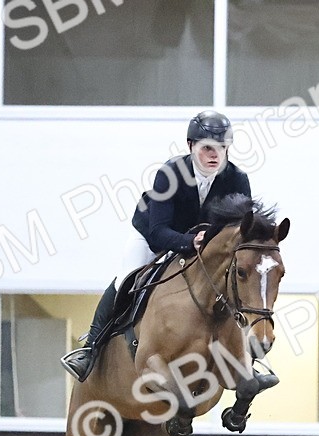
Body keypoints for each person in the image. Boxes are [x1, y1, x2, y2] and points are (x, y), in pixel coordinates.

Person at [60, 110, 253, 381]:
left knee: (232, 285)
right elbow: (157, 232)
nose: (215, 155)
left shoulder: (237, 180)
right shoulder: (170, 173)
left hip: (202, 248)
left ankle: (245, 359)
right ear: (190, 146)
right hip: (157, 237)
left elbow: (239, 234)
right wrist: (189, 241)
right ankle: (91, 348)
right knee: (126, 279)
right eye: (207, 148)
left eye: (222, 148)